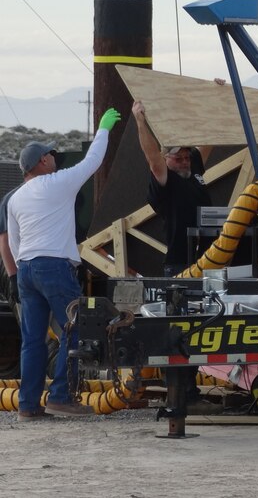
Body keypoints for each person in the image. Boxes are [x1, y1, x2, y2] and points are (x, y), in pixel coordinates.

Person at [7, 108, 121, 420]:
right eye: (50, 155)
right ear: (41, 162)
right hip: (53, 267)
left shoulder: (16, 197)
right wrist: (103, 129)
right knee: (77, 328)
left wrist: (19, 273)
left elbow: (15, 242)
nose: (55, 158)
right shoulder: (57, 183)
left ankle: (28, 406)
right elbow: (92, 162)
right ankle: (61, 396)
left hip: (27, 270)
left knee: (33, 341)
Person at [132, 99, 213, 277]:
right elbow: (152, 156)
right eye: (178, 158)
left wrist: (212, 100)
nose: (184, 162)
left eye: (186, 157)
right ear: (166, 158)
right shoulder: (165, 178)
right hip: (180, 263)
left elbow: (209, 139)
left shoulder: (193, 167)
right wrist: (140, 122)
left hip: (209, 258)